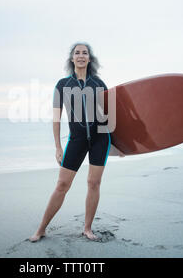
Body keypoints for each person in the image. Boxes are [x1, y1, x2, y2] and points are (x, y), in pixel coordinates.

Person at [29, 42, 123, 242]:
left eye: (85, 53)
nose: (81, 56)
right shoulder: (62, 85)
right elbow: (56, 118)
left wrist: (120, 145)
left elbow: (110, 117)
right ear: (72, 59)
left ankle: (87, 228)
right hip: (76, 139)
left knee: (93, 183)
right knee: (62, 184)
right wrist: (57, 146)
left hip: (100, 137)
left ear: (90, 59)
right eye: (77, 53)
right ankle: (41, 228)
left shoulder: (99, 84)